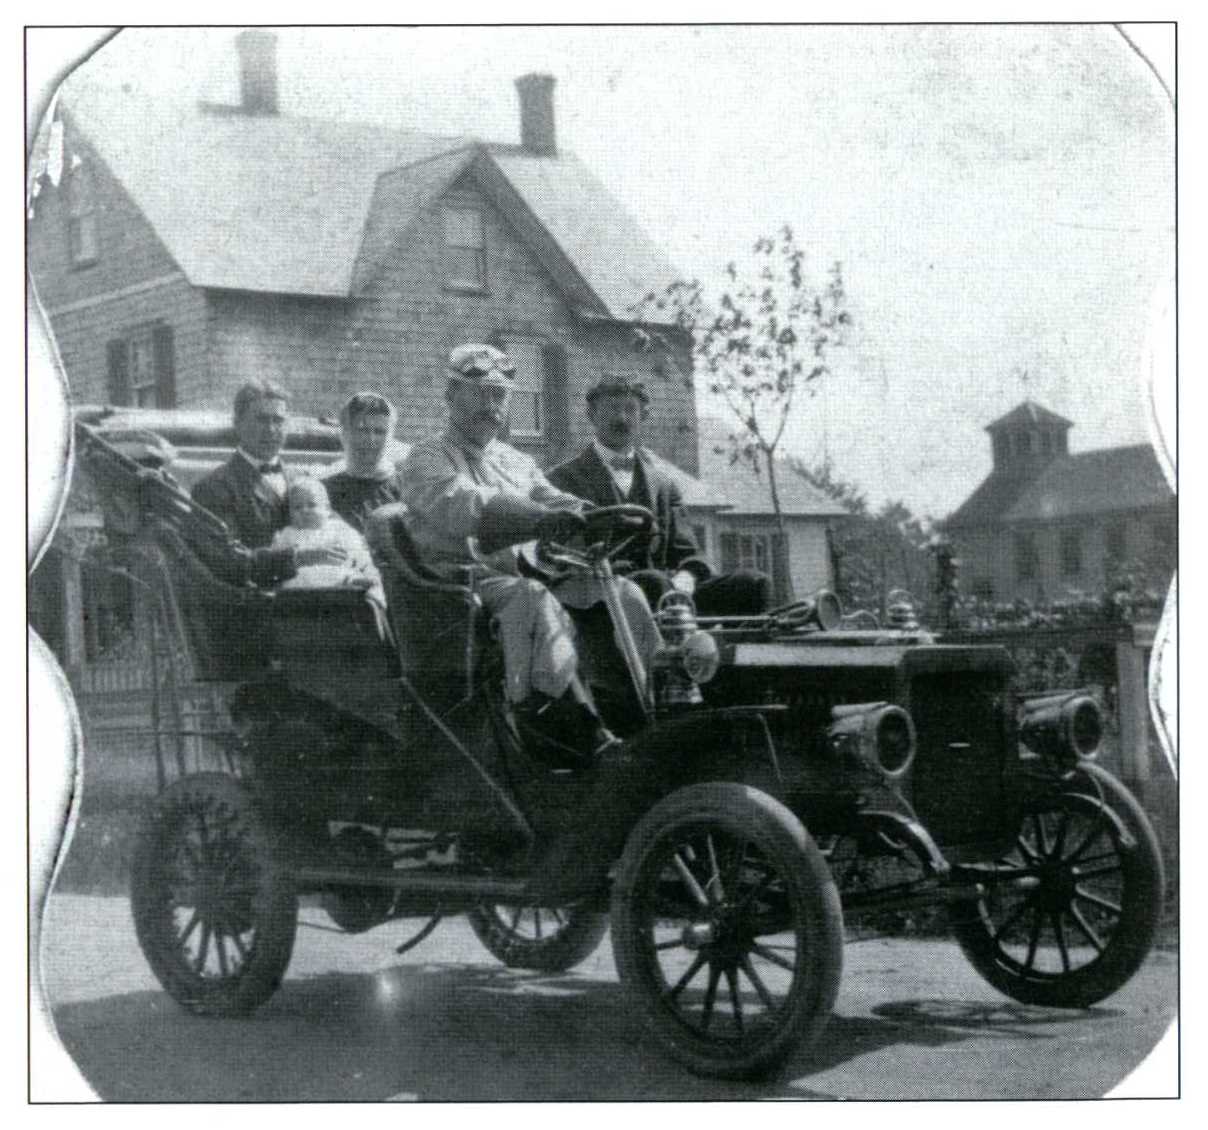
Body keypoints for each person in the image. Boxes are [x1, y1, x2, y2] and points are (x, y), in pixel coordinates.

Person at [398, 344, 661, 760]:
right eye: (480, 392)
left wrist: (593, 514)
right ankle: (579, 730)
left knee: (624, 593)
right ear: (451, 395)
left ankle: (651, 714)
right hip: (461, 583)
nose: (492, 405)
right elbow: (465, 504)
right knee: (533, 599)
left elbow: (552, 496)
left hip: (522, 575)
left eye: (500, 395)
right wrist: (536, 518)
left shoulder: (514, 460)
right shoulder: (426, 458)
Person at [547, 376, 772, 616]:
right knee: (654, 584)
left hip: (665, 592)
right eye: (612, 409)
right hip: (597, 595)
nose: (622, 418)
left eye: (630, 410)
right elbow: (557, 558)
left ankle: (711, 652)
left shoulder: (663, 484)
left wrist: (687, 575)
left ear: (643, 416)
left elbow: (688, 551)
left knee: (754, 584)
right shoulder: (561, 480)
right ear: (591, 415)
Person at [191, 380, 348, 587]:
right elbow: (225, 560)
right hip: (255, 608)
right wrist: (296, 558)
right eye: (261, 420)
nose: (271, 429)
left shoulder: (304, 481)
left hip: (320, 598)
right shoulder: (214, 487)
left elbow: (337, 531)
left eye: (278, 420)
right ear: (237, 423)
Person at [272, 478, 386, 602]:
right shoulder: (286, 534)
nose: (304, 511)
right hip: (299, 585)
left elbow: (359, 554)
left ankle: (357, 582)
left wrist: (356, 561)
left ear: (327, 508)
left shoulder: (339, 528)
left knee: (351, 576)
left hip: (337, 581)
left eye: (312, 505)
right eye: (297, 507)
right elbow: (278, 560)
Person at [323, 391, 403, 533]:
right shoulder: (322, 493)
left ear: (391, 437)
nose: (371, 440)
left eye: (379, 431)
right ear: (344, 433)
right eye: (362, 430)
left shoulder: (407, 490)